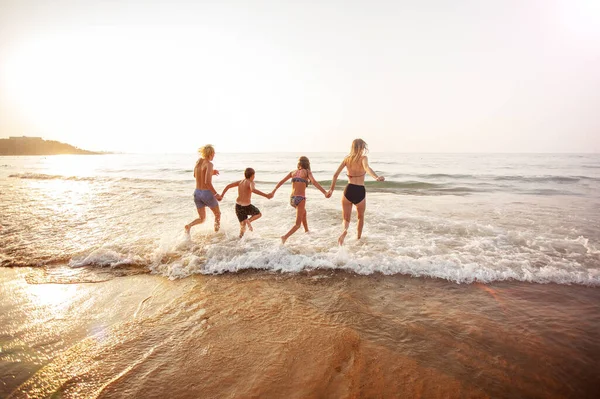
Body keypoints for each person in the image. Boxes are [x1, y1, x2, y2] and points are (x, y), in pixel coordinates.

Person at [327, 139, 385, 245]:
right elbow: (367, 168)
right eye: (363, 147)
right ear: (361, 147)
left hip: (348, 190)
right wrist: (376, 177)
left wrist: (331, 189)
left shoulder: (347, 159)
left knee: (346, 218)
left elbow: (335, 175)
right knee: (360, 217)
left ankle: (344, 232)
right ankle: (358, 239)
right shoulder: (364, 158)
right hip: (360, 191)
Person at [270, 156, 330, 244]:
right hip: (300, 198)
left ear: (299, 164)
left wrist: (273, 191)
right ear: (307, 164)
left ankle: (307, 231)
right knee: (297, 225)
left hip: (292, 199)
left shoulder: (293, 172)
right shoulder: (307, 172)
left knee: (304, 213)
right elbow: (314, 182)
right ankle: (285, 237)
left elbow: (281, 182)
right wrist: (324, 192)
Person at [220, 167, 273, 238]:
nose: (254, 177)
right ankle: (248, 221)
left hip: (238, 206)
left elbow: (228, 186)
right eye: (254, 175)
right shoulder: (251, 182)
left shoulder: (240, 182)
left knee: (242, 227)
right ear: (252, 176)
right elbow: (253, 190)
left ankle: (240, 238)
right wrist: (266, 195)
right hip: (247, 207)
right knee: (259, 214)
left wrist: (222, 195)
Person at [185, 144, 222, 234]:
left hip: (197, 193)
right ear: (210, 153)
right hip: (206, 194)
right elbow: (207, 182)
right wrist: (216, 195)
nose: (214, 155)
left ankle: (189, 226)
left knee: (202, 218)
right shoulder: (209, 164)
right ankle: (216, 235)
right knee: (217, 214)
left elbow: (195, 175)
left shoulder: (198, 161)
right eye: (213, 153)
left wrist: (211, 173)